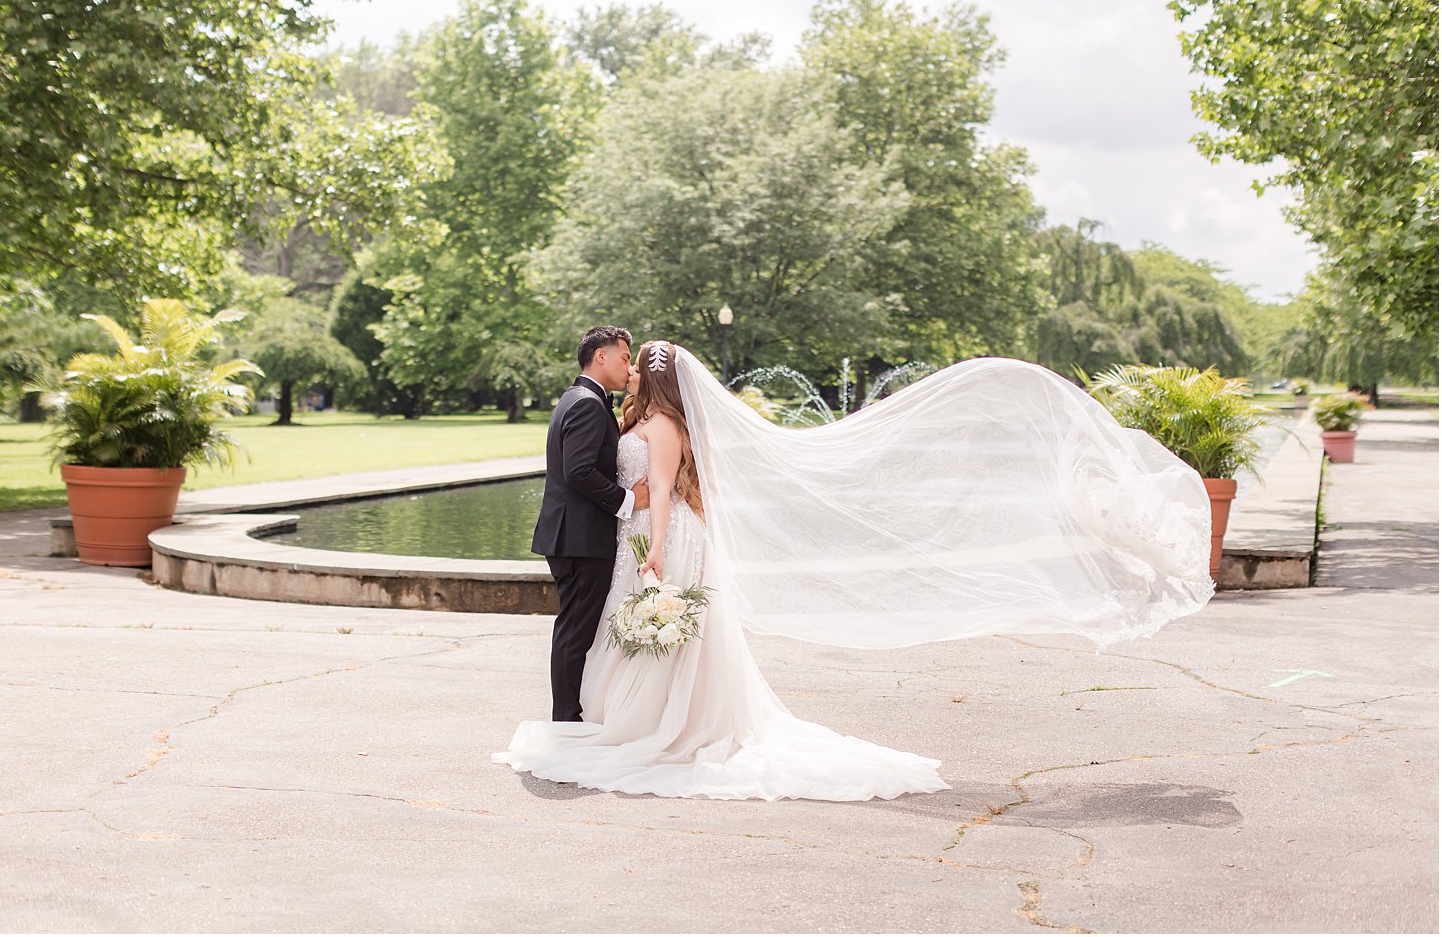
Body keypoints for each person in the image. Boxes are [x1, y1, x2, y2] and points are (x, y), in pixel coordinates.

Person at [497, 340, 1215, 801]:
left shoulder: (659, 427)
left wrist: (655, 550)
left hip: (663, 541)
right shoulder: (650, 420)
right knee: (643, 638)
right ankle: (632, 716)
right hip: (654, 538)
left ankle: (653, 725)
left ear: (645, 378)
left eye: (634, 361)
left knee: (653, 637)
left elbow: (656, 495)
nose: (624, 367)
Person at [531, 326, 651, 723]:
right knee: (575, 632)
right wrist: (630, 500)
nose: (628, 366)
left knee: (575, 629)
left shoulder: (581, 398)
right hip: (580, 538)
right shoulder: (586, 403)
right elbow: (579, 470)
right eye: (623, 357)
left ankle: (568, 713)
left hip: (574, 536)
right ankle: (566, 719)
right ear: (601, 356)